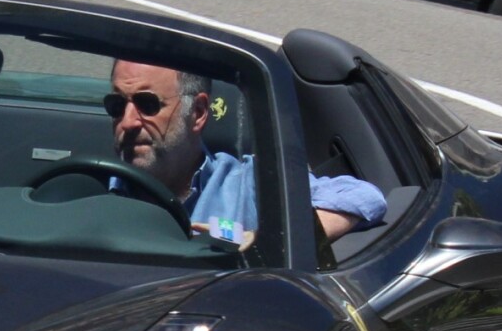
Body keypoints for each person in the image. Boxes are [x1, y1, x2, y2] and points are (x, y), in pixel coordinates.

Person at [105, 60, 387, 244]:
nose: (128, 122)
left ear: (199, 113)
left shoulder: (248, 185)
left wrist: (274, 240)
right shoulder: (87, 189)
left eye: (147, 104)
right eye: (117, 105)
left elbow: (363, 196)